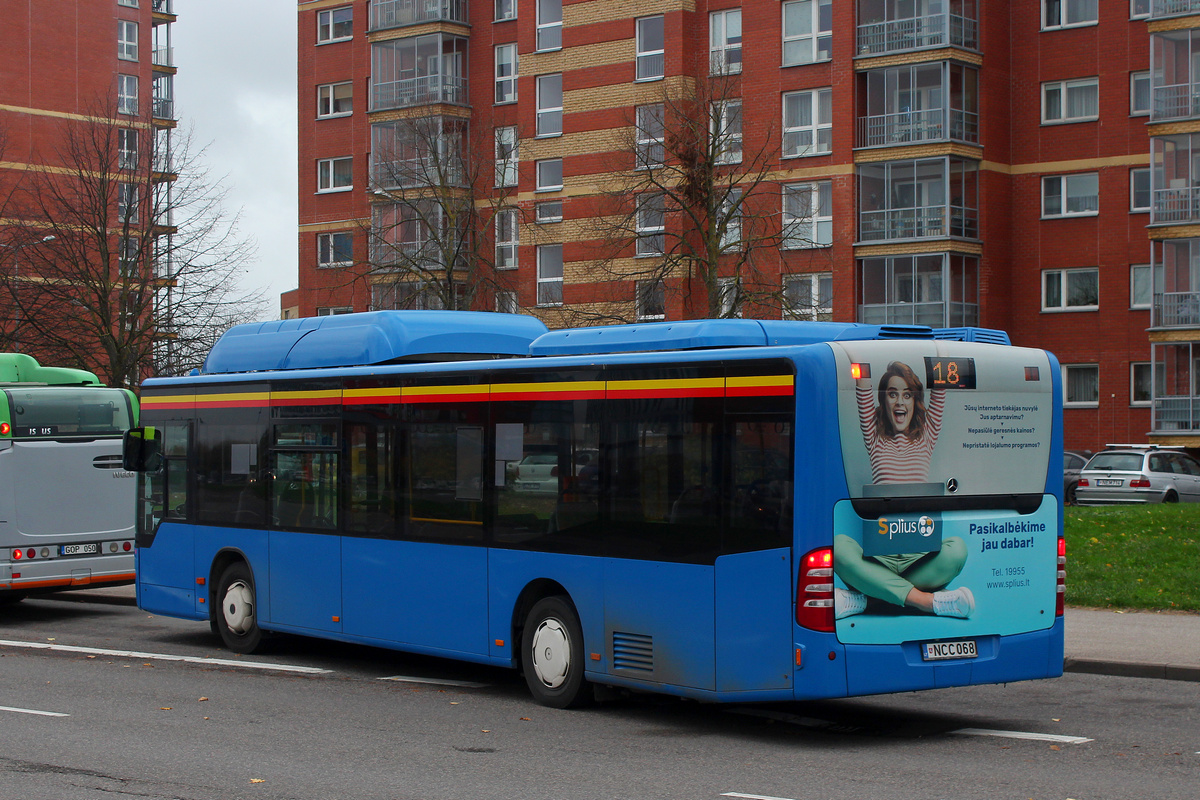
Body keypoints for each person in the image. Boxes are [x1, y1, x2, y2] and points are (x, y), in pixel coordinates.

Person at [833, 360, 974, 619]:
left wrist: (939, 352)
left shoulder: (927, 434)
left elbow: (940, 388)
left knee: (958, 549)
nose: (900, 401)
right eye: (892, 394)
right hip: (878, 557)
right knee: (838, 547)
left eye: (907, 395)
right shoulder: (874, 437)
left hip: (919, 558)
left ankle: (868, 600)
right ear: (884, 402)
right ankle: (927, 602)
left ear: (914, 402)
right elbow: (862, 389)